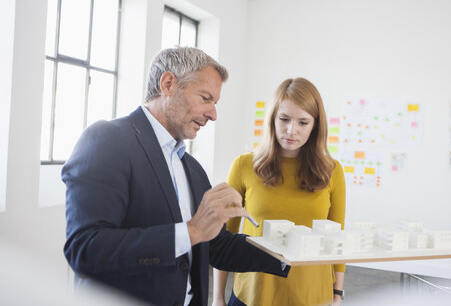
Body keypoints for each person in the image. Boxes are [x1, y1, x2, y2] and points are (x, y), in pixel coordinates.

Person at [62, 47, 289, 306]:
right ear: (168, 84)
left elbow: (215, 245)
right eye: (206, 98)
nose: (213, 114)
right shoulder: (107, 140)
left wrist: (289, 252)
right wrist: (190, 231)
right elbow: (86, 249)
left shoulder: (191, 167)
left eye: (215, 103)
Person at [213, 78, 346, 306]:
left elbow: (336, 239)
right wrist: (217, 297)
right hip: (253, 293)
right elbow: (224, 239)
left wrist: (337, 293)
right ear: (272, 118)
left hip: (312, 295)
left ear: (315, 125)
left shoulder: (332, 171)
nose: (291, 130)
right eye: (284, 119)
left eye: (303, 122)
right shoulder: (244, 166)